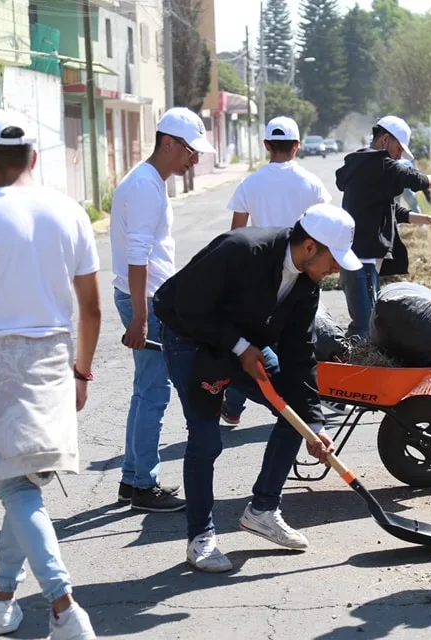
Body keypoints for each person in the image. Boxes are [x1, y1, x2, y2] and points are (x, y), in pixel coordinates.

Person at [0, 110, 102, 638]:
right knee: (25, 480)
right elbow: (93, 308)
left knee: (18, 487)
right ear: (35, 157)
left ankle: (63, 606)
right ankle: (2, 597)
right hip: (54, 356)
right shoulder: (70, 212)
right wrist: (82, 372)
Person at [152, 203, 362, 572]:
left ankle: (263, 510)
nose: (336, 269)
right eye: (334, 258)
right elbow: (185, 305)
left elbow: (300, 356)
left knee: (292, 414)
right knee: (206, 439)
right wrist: (239, 347)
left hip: (245, 339)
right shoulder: (241, 249)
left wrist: (315, 426)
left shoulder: (306, 285)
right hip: (191, 336)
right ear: (310, 246)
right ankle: (200, 537)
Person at [110, 107, 214, 512]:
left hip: (150, 298)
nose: (195, 158)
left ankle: (134, 478)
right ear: (168, 143)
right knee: (154, 392)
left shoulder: (152, 182)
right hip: (146, 301)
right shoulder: (144, 187)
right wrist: (139, 316)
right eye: (191, 150)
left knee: (148, 390)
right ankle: (139, 485)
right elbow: (138, 257)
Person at [220, 115, 333, 426]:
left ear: (267, 145)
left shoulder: (250, 183)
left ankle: (233, 405)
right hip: (303, 270)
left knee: (253, 339)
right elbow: (326, 227)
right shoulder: (311, 183)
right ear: (297, 146)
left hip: (261, 276)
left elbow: (236, 234)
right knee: (297, 342)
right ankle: (297, 409)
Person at [335, 115, 431, 338]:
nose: (400, 156)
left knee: (369, 323)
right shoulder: (378, 165)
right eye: (399, 148)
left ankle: (364, 367)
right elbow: (416, 180)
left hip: (363, 260)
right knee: (364, 328)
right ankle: (357, 370)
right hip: (362, 261)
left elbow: (393, 211)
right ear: (385, 140)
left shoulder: (364, 166)